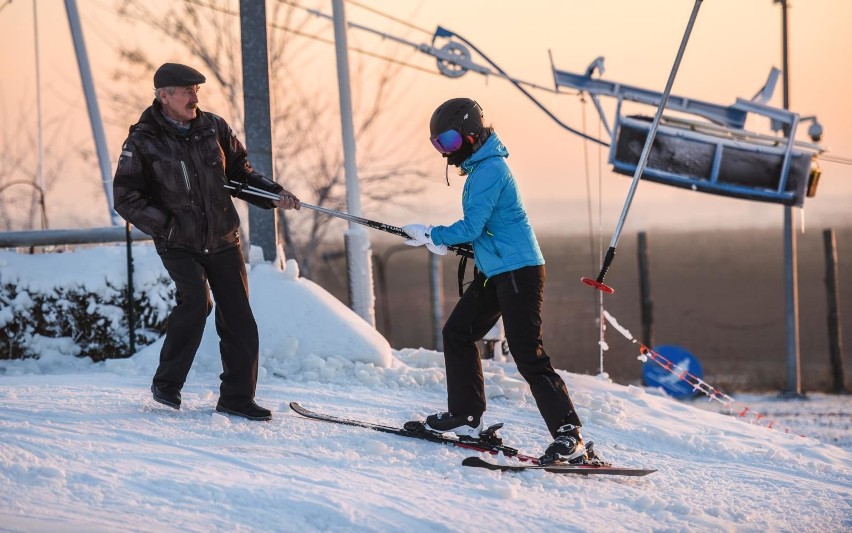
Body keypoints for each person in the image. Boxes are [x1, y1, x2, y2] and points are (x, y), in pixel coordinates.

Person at [402, 98, 588, 464]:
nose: (446, 153)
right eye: (439, 145)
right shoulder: (479, 169)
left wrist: (432, 234)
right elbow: (484, 230)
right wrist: (443, 240)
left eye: (450, 142)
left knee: (527, 353)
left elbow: (472, 226)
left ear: (471, 135)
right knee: (458, 333)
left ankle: (571, 435)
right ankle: (466, 415)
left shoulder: (490, 170)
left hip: (519, 272)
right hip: (496, 272)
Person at [113, 63, 300, 421]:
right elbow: (126, 197)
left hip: (223, 238)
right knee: (197, 303)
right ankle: (167, 383)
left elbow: (240, 174)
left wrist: (274, 194)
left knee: (240, 318)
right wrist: (166, 226)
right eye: (186, 91)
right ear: (163, 95)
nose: (194, 97)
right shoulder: (142, 140)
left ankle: (237, 398)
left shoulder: (213, 128)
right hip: (178, 241)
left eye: (197, 90)